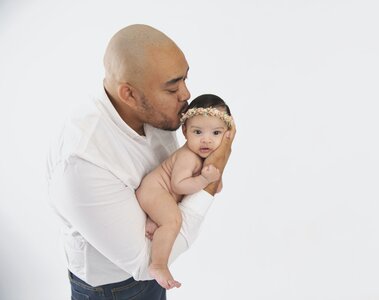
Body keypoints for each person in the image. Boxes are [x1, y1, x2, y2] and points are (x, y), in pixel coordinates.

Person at [46, 24, 236, 300]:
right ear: (129, 94)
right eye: (172, 89)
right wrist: (215, 169)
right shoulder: (82, 161)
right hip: (113, 289)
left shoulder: (159, 114)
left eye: (185, 79)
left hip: (153, 277)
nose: (186, 95)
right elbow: (145, 263)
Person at [136, 94, 233, 289]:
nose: (206, 140)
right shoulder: (188, 156)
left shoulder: (203, 156)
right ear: (185, 131)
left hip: (163, 197)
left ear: (227, 135)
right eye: (198, 132)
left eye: (216, 133)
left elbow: (213, 187)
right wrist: (205, 179)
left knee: (170, 216)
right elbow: (179, 186)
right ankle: (158, 265)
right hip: (154, 191)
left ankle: (154, 221)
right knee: (173, 221)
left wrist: (213, 179)